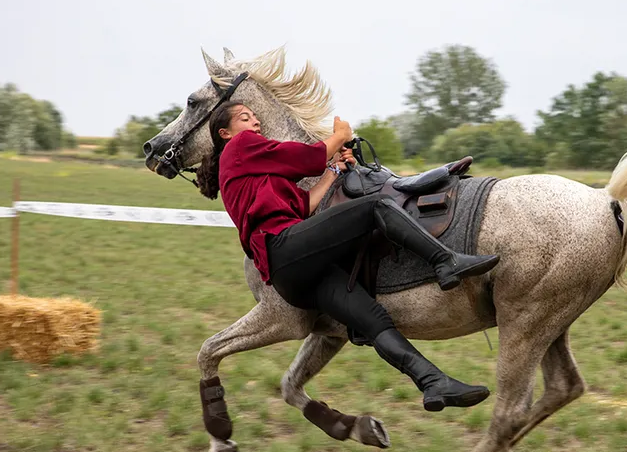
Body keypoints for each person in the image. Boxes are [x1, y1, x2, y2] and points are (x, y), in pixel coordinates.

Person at [195, 101, 499, 420]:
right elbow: (304, 158)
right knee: (375, 206)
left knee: (373, 318)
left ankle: (433, 382)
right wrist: (340, 136)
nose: (255, 122)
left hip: (295, 276)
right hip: (283, 248)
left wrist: (335, 170)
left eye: (256, 117)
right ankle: (445, 262)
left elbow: (305, 206)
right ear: (225, 133)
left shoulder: (255, 170)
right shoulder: (239, 147)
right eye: (245, 118)